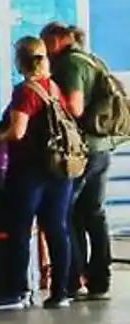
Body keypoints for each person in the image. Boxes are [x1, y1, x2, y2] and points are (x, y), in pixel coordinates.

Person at [0, 36, 76, 310]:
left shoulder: (25, 92)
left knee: (20, 229)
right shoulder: (53, 88)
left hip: (30, 171)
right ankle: (61, 291)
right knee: (57, 229)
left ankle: (16, 292)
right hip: (60, 169)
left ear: (20, 62)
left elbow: (18, 131)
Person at [42, 21, 112, 300]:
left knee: (64, 212)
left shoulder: (70, 64)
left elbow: (75, 107)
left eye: (45, 44)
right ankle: (100, 279)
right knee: (94, 214)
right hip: (102, 148)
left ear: (57, 39)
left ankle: (73, 275)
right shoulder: (92, 59)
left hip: (80, 152)